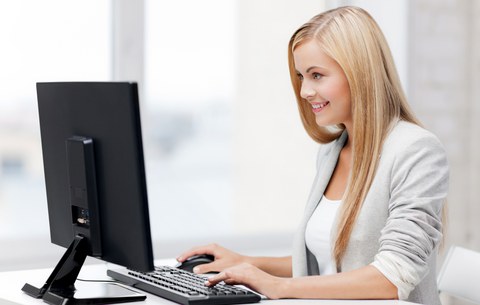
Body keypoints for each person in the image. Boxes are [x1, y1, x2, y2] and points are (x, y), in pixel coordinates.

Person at [177, 6, 449, 304]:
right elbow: (327, 266)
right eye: (301, 76)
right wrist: (247, 263)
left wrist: (276, 287)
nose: (305, 91)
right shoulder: (332, 152)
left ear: (360, 73)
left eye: (317, 75)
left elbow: (392, 278)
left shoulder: (416, 151)